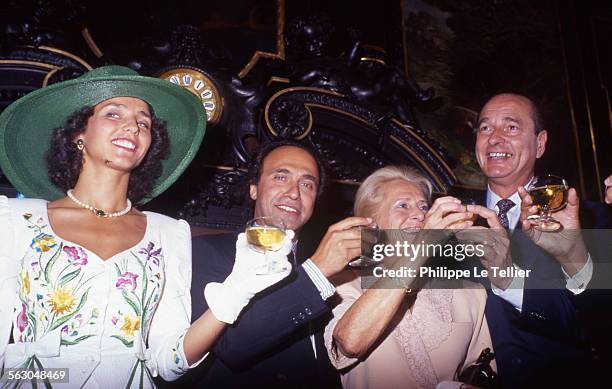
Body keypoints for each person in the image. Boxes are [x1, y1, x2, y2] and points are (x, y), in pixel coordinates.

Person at [0, 66, 292, 388]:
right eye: (114, 114)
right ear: (77, 133)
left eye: (144, 122)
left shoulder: (167, 233)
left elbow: (169, 361)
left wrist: (237, 291)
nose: (133, 127)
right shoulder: (17, 220)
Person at [185, 140, 371, 388]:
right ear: (254, 187)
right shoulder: (203, 251)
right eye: (281, 178)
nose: (294, 193)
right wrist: (318, 270)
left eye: (307, 184)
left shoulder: (330, 269)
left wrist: (428, 244)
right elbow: (232, 345)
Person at [459, 93, 612, 387]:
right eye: (485, 128)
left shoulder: (591, 219)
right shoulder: (450, 219)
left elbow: (603, 325)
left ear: (540, 143)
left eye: (511, 127)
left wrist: (572, 258)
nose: (495, 138)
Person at [324, 166, 495, 389]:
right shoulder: (342, 284)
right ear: (371, 225)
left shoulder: (469, 291)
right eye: (403, 206)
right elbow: (350, 342)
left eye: (424, 207)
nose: (419, 214)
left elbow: (485, 369)